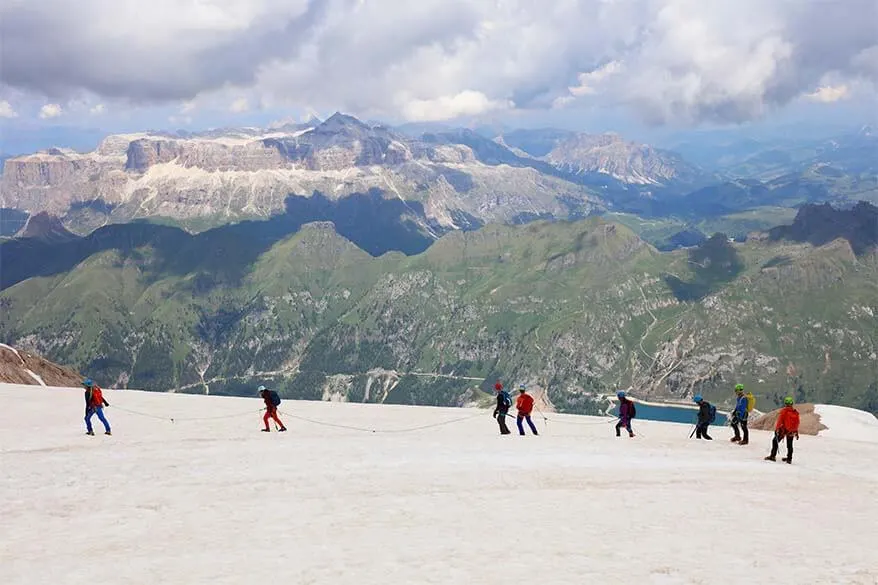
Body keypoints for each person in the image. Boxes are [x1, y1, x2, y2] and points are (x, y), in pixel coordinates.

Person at [765, 396, 800, 464]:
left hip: (783, 430)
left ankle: (773, 456)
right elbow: (797, 422)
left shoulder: (784, 411)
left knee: (775, 441)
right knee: (790, 445)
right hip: (792, 431)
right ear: (792, 403)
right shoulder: (795, 412)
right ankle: (789, 459)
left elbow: (780, 421)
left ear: (785, 403)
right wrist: (796, 431)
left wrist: (777, 429)